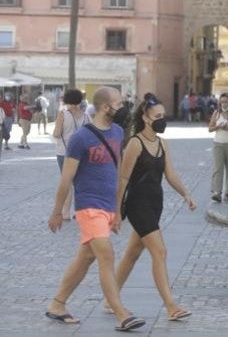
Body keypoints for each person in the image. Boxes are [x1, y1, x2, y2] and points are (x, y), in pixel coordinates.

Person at [46, 86, 145, 332]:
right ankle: (121, 314)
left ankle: (57, 304)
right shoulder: (81, 138)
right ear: (105, 107)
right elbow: (66, 179)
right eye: (119, 104)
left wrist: (117, 208)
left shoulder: (118, 132)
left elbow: (118, 172)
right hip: (88, 206)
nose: (123, 108)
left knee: (86, 256)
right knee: (106, 255)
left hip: (107, 207)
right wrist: (58, 211)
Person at [106, 94, 196, 322]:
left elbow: (170, 174)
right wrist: (117, 212)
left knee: (132, 253)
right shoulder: (135, 143)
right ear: (145, 118)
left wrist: (186, 194)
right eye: (157, 116)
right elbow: (123, 180)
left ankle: (110, 298)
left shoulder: (162, 143)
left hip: (156, 203)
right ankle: (170, 306)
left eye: (163, 116)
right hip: (138, 204)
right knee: (160, 252)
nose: (162, 120)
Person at [53, 89, 91, 221]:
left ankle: (65, 212)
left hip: (64, 152)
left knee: (66, 181)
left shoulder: (63, 115)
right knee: (80, 182)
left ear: (67, 100)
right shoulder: (86, 116)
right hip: (82, 153)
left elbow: (57, 134)